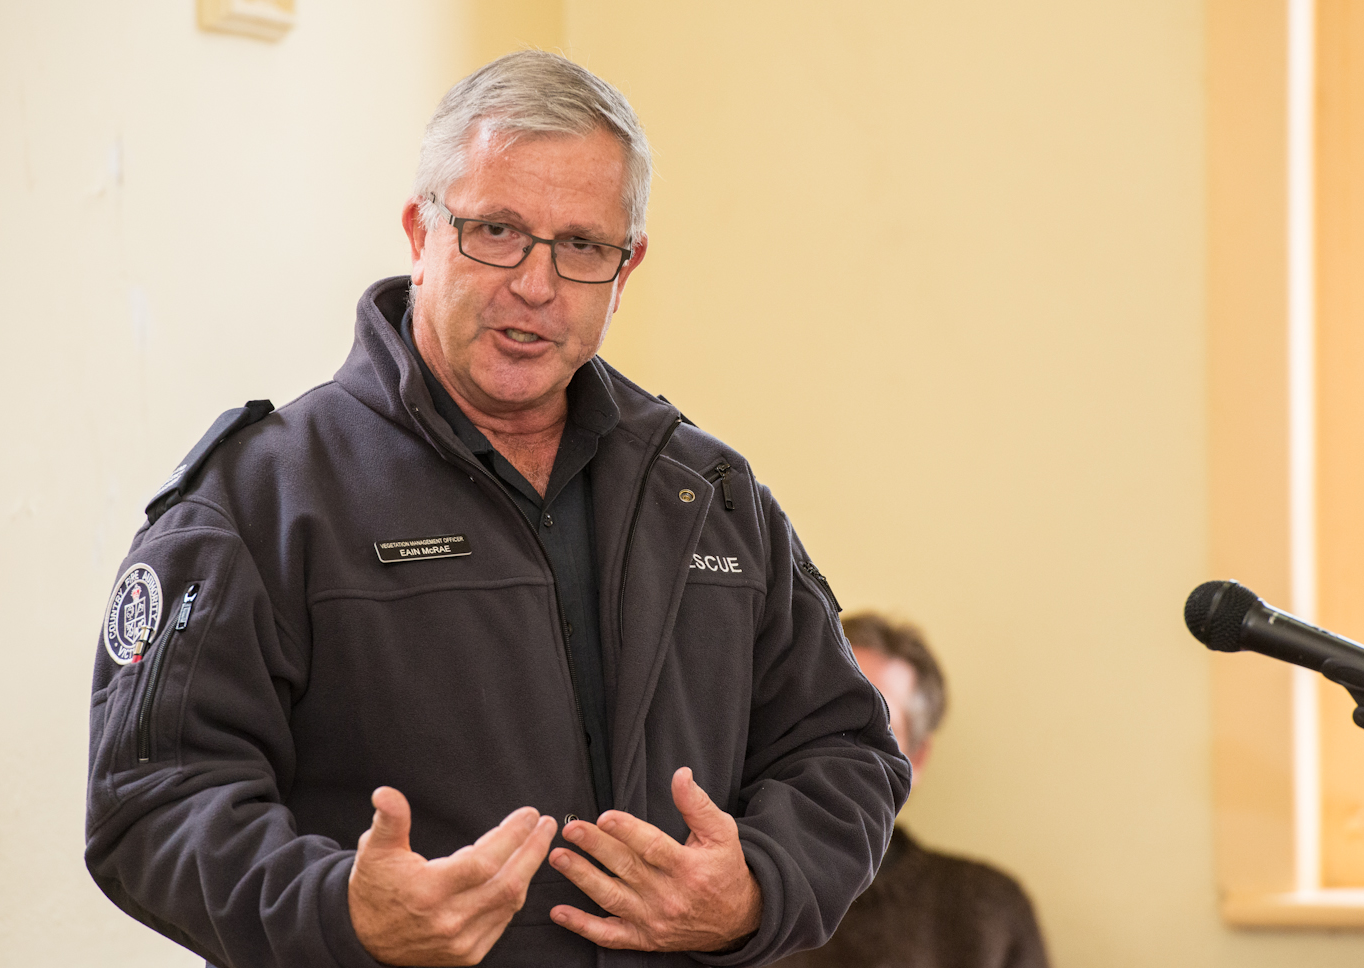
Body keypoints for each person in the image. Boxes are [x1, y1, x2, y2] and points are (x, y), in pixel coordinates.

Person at [84, 51, 910, 968]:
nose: (536, 285)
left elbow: (849, 751)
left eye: (581, 246)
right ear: (420, 232)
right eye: (497, 231)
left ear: (625, 268)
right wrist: (341, 913)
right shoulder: (260, 498)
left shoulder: (707, 493)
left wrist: (756, 890)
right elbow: (151, 803)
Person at [776, 613, 1049, 968]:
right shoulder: (726, 889)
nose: (839, 747)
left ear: (915, 760)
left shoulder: (993, 915)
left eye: (877, 727)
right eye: (824, 713)